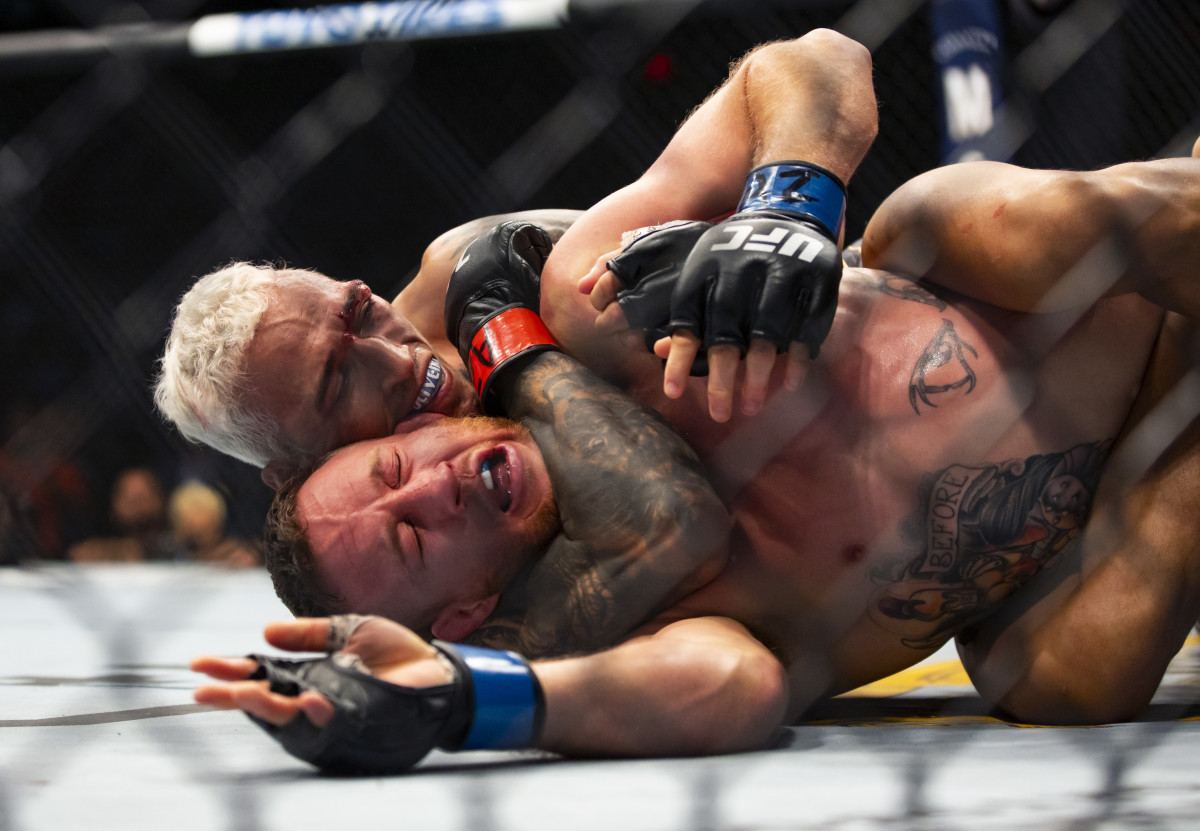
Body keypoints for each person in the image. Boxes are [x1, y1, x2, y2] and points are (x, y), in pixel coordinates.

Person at [194, 140, 1200, 768]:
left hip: (1030, 296)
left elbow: (806, 62)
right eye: (415, 540)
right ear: (464, 614)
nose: (434, 483)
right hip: (1112, 504)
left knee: (1007, 225)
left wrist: (784, 209)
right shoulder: (582, 622)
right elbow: (735, 685)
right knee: (1067, 684)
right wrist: (469, 701)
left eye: (394, 471)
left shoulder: (549, 303)